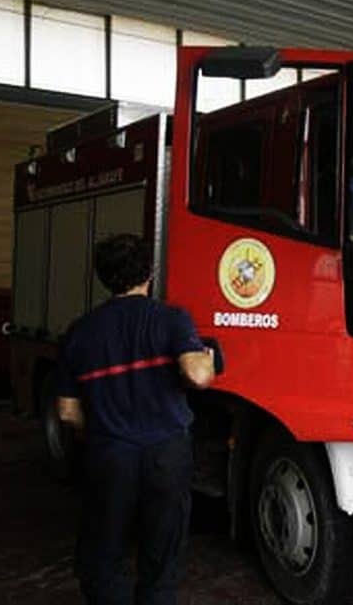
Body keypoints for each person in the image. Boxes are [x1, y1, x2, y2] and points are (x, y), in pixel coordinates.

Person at [55, 234, 214, 605]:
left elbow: (67, 411)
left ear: (103, 276)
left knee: (102, 551)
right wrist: (206, 359)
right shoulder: (171, 319)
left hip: (110, 455)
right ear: (150, 273)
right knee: (162, 551)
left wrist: (104, 431)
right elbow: (198, 375)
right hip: (166, 456)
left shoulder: (80, 332)